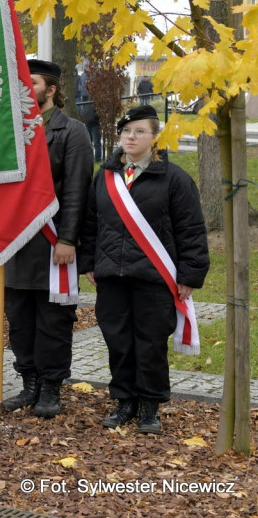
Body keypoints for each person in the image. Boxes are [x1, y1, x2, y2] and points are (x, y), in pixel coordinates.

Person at [80, 105, 209, 434]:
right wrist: (90, 263)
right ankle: (125, 401)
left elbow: (191, 230)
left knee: (150, 343)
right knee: (118, 341)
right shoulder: (106, 176)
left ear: (155, 138)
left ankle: (150, 406)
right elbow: (90, 222)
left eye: (139, 132)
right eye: (126, 132)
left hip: (154, 278)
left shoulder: (174, 178)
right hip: (112, 277)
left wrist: (190, 276)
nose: (130, 138)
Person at [2, 59, 94, 418]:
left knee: (53, 322)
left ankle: (52, 387)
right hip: (15, 243)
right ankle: (30, 384)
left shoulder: (72, 132)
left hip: (54, 243)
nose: (26, 88)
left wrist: (68, 239)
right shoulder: (11, 130)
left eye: (33, 82)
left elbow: (76, 191)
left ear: (51, 89)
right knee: (20, 320)